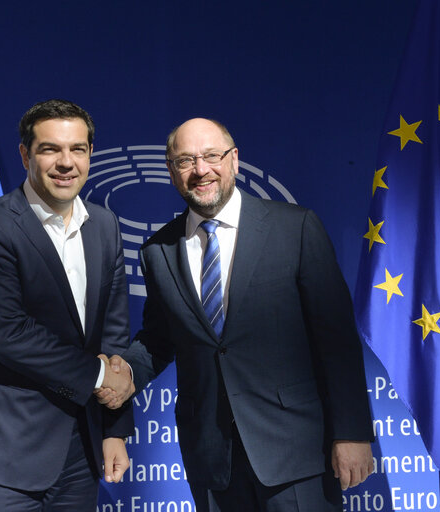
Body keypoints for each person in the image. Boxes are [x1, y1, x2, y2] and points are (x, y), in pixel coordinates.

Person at [99, 118, 374, 511]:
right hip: (212, 458)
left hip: (294, 452)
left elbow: (337, 339)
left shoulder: (294, 228)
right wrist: (125, 373)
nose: (201, 170)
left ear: (234, 160)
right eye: (185, 161)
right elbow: (159, 339)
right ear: (171, 171)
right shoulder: (157, 251)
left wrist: (352, 433)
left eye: (212, 156)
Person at [0, 99, 135, 511]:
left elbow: (113, 333)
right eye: (51, 149)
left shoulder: (104, 225)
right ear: (25, 154)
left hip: (79, 456)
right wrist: (101, 376)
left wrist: (114, 429)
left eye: (78, 149)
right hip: (1, 457)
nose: (66, 162)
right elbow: (6, 333)